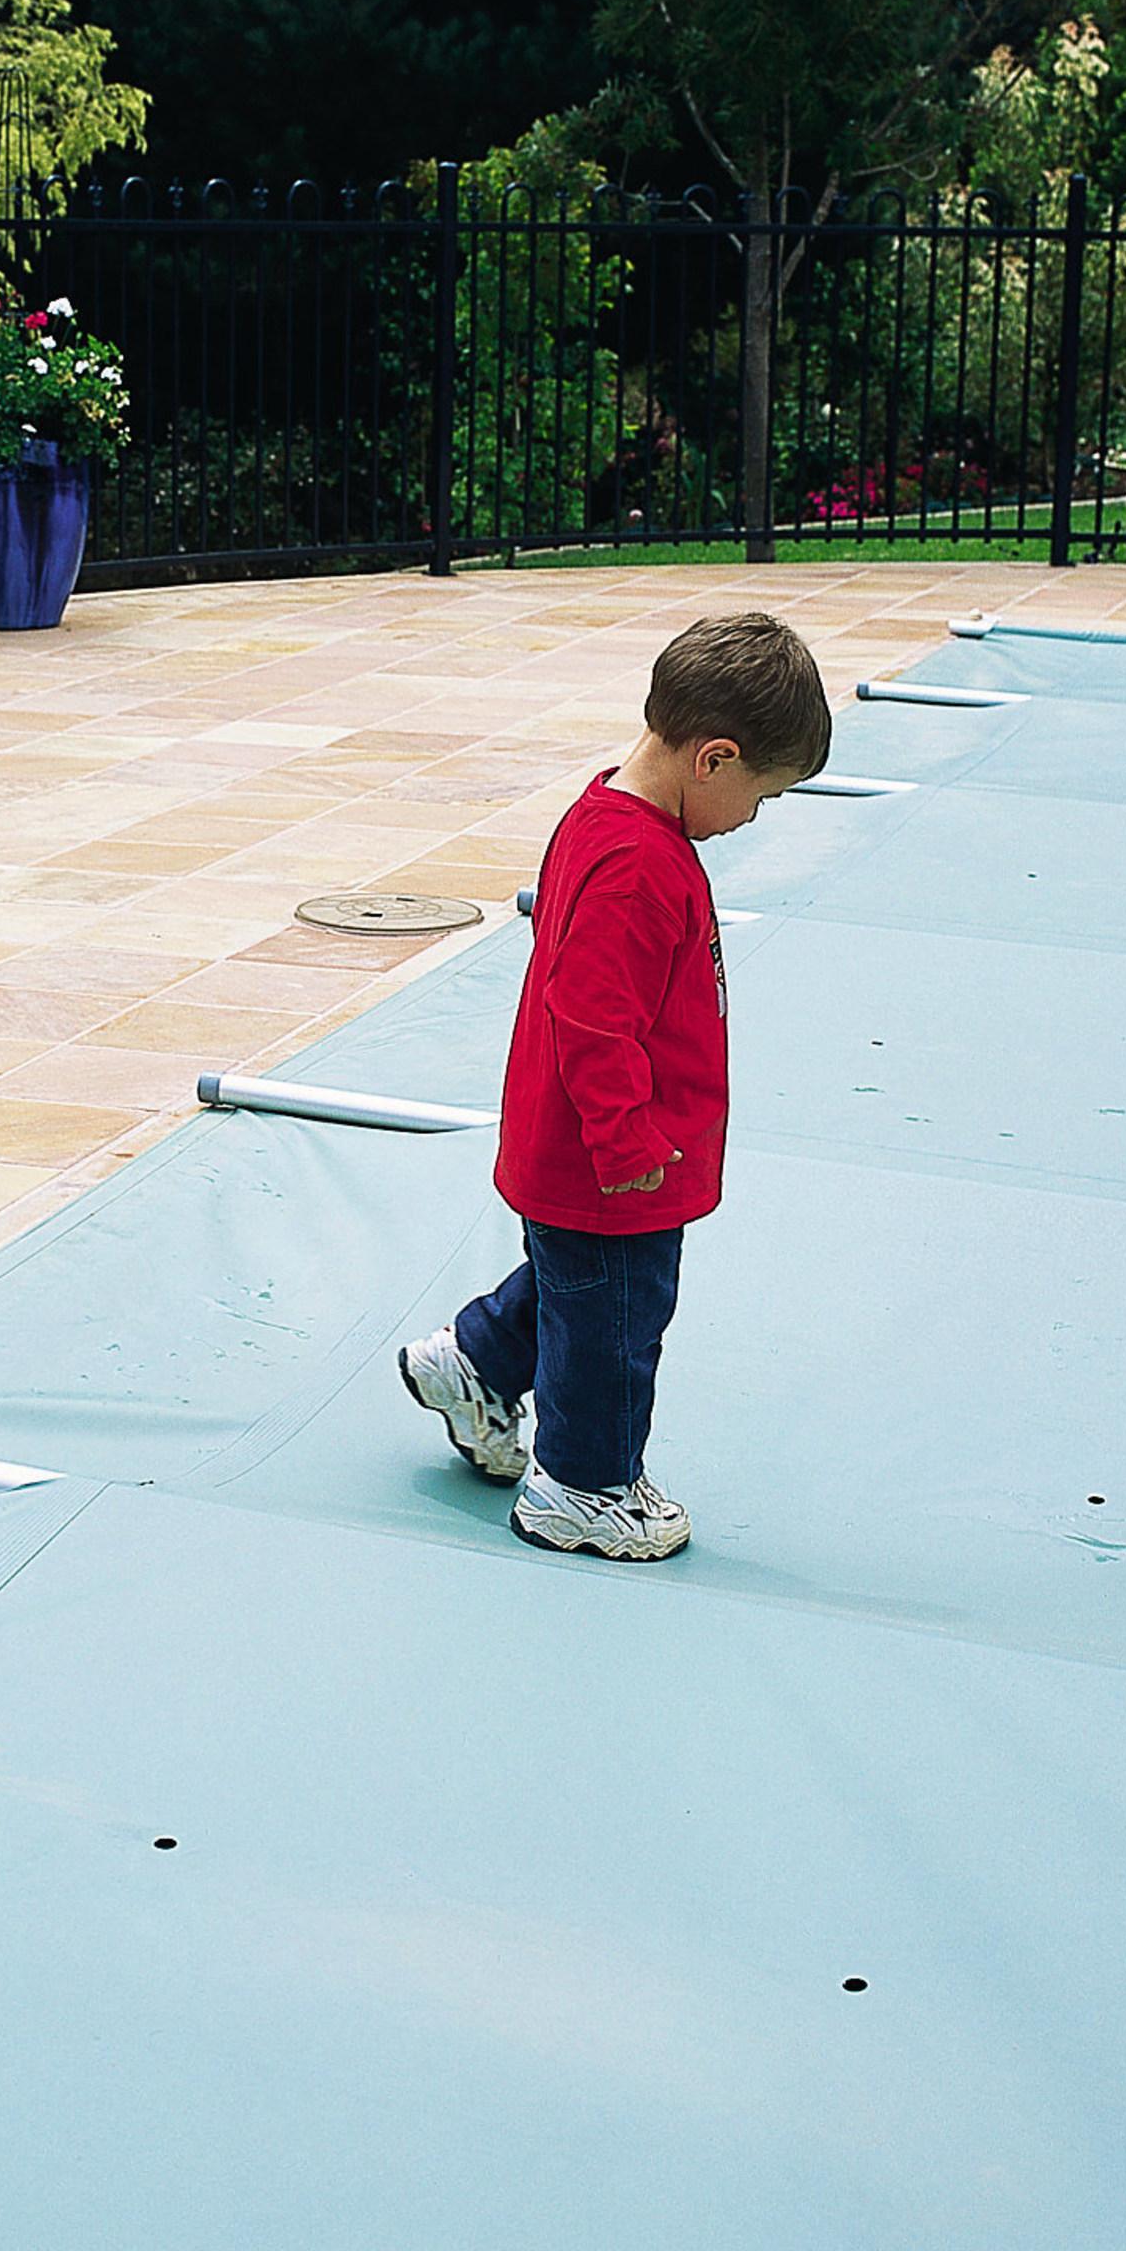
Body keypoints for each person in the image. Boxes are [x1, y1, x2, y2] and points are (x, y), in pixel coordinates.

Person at [399, 612, 832, 1559]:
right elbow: (592, 1017)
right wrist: (628, 1143)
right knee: (617, 1318)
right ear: (712, 759)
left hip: (579, 1147)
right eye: (760, 795)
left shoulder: (605, 815)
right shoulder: (640, 863)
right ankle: (584, 1486)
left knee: (584, 1287)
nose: (753, 817)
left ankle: (474, 1360)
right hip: (610, 1160)